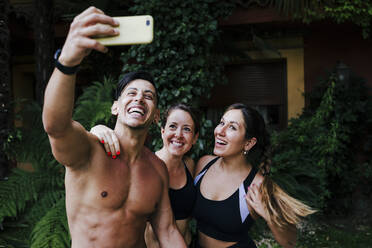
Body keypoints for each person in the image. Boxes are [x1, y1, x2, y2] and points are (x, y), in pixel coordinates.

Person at [42, 6, 186, 248]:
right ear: (115, 107)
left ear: (156, 116)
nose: (139, 99)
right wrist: (67, 61)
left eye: (148, 96)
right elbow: (56, 127)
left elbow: (167, 230)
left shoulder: (157, 168)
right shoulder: (88, 150)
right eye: (131, 93)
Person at [193, 103, 315, 248]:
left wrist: (268, 215)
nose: (220, 131)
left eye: (232, 127)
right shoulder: (203, 165)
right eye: (221, 123)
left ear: (249, 143)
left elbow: (290, 242)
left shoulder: (257, 185)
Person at [91, 103, 199, 247]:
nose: (178, 134)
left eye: (187, 129)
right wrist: (96, 130)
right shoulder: (147, 167)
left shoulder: (189, 165)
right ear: (162, 131)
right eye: (172, 126)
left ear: (195, 138)